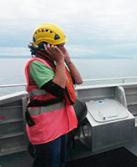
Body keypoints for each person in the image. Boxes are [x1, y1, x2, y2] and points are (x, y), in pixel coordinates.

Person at [24, 23, 83, 167]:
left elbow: (78, 80)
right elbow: (57, 89)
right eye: (59, 46)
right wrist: (61, 61)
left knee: (61, 161)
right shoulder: (36, 64)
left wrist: (67, 60)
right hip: (47, 128)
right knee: (49, 162)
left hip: (62, 124)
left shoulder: (56, 65)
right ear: (46, 46)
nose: (63, 49)